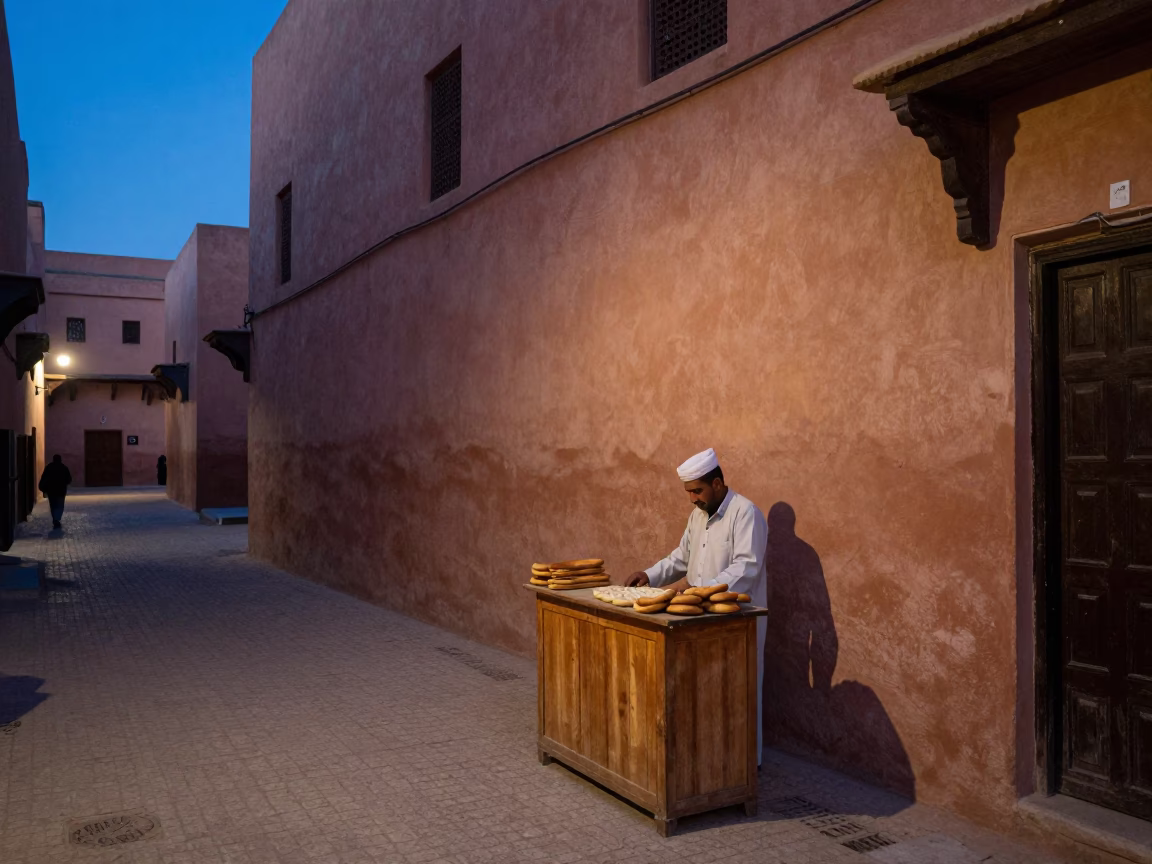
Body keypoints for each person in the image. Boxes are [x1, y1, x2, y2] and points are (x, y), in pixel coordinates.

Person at [626, 447, 768, 764]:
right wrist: (648, 575)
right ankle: (709, 765)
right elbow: (681, 558)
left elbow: (746, 568)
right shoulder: (698, 515)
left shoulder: (746, 514)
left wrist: (698, 593)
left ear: (717, 483)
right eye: (689, 492)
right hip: (699, 619)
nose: (692, 498)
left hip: (738, 620)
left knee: (739, 693)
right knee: (707, 694)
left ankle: (745, 766)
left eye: (697, 491)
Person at [38, 454, 73, 529]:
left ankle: (55, 519)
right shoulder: (64, 467)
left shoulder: (49, 467)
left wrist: (44, 488)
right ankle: (57, 518)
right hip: (61, 490)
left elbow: (44, 477)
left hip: (51, 490)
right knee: (60, 505)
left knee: (53, 505)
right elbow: (69, 479)